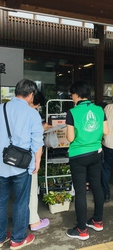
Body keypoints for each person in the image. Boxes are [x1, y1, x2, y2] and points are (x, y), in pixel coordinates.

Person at [0, 79, 44, 249]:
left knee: (1, 201)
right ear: (31, 95)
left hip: (1, 164)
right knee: (20, 202)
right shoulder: (32, 114)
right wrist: (37, 162)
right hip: (22, 165)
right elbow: (37, 143)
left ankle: (1, 236)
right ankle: (17, 239)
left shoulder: (1, 108)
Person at [65, 80, 109, 240]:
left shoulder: (72, 112)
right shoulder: (99, 110)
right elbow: (106, 131)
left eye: (72, 95)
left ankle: (82, 229)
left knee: (81, 192)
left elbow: (70, 138)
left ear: (77, 95)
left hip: (78, 155)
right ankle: (98, 221)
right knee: (97, 186)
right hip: (96, 153)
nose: (72, 98)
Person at [28, 91, 50, 231]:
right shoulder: (33, 114)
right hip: (27, 158)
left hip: (8, 159)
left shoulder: (6, 110)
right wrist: (38, 161)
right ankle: (34, 221)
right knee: (31, 190)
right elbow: (35, 139)